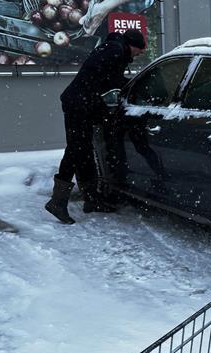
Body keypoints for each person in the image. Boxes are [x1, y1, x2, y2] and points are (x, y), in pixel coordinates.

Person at [45, 29, 146, 224]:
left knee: (83, 151)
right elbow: (112, 82)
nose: (139, 53)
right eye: (139, 50)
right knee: (75, 150)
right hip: (79, 105)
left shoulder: (113, 48)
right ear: (132, 45)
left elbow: (105, 80)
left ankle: (91, 199)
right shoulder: (115, 51)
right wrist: (137, 85)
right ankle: (57, 201)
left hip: (83, 103)